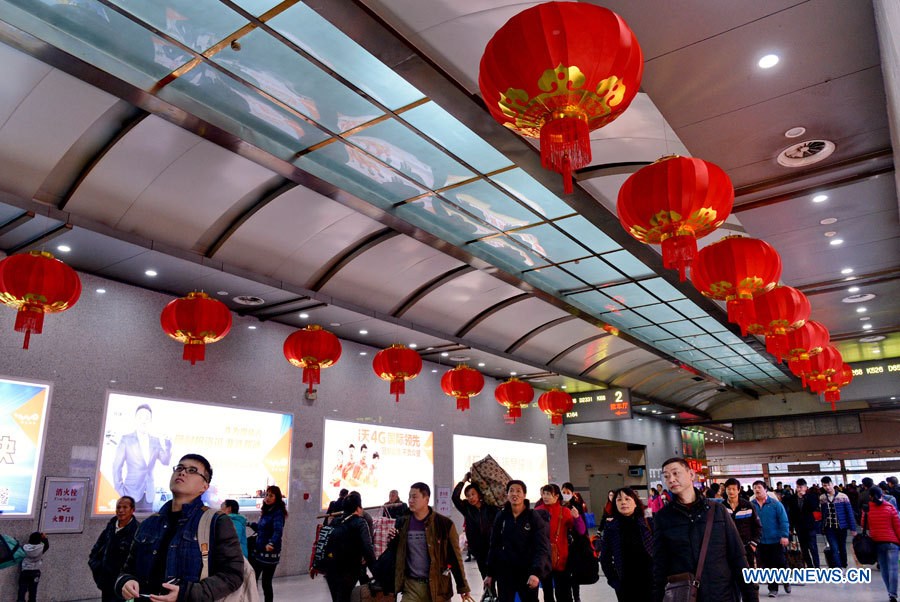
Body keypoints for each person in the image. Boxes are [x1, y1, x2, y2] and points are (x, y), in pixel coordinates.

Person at [116, 453, 244, 601]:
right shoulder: (149, 523)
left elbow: (233, 574)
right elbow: (126, 570)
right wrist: (125, 582)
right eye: (180, 467)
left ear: (204, 486)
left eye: (192, 470)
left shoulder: (216, 522)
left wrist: (185, 593)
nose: (182, 472)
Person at [652, 458, 757, 602]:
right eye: (666, 476)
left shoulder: (717, 510)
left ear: (691, 474)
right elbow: (660, 563)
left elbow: (737, 555)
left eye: (676, 473)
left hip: (720, 592)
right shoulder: (663, 517)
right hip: (685, 594)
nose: (671, 479)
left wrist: (750, 595)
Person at [391, 482, 471, 602]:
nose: (410, 500)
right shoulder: (402, 523)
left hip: (438, 586)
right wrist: (392, 540)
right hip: (411, 586)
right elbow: (397, 554)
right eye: (409, 497)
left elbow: (455, 557)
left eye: (414, 497)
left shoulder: (444, 524)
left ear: (426, 499)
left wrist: (462, 585)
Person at [485, 480, 550, 602]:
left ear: (524, 495)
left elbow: (541, 547)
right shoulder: (501, 516)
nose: (515, 494)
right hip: (505, 573)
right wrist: (489, 574)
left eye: (518, 491)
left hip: (528, 573)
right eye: (511, 491)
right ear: (507, 494)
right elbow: (494, 546)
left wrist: (536, 572)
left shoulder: (533, 517)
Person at [111, 403, 172, 512]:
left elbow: (165, 461)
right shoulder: (126, 439)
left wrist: (168, 445)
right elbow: (117, 466)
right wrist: (120, 489)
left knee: (146, 525)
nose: (144, 420)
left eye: (147, 418)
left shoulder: (155, 440)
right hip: (130, 492)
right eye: (140, 417)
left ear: (151, 421)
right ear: (135, 419)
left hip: (149, 493)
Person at [599, 487, 653, 602]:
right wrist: (614, 581)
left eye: (627, 499)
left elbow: (659, 552)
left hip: (651, 581)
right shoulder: (611, 527)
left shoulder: (648, 523)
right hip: (625, 583)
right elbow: (605, 558)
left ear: (635, 503)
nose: (623, 502)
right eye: (619, 500)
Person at [325, 492, 376, 602]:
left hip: (331, 568)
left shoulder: (335, 521)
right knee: (343, 597)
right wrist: (377, 573)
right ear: (358, 508)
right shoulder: (360, 522)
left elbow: (326, 542)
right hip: (349, 570)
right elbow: (368, 548)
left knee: (337, 598)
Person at [89, 496, 140, 602]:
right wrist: (96, 566)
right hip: (106, 581)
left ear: (132, 510)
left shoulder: (137, 531)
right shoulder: (111, 527)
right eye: (118, 507)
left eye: (125, 507)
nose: (121, 510)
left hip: (123, 584)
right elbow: (96, 549)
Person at [453, 472, 499, 579]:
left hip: (493, 548)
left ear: (479, 494)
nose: (471, 498)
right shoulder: (467, 509)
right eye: (468, 496)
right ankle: (489, 595)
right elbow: (455, 497)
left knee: (498, 576)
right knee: (486, 577)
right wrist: (463, 480)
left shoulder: (490, 508)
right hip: (478, 550)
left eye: (473, 494)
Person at [535, 484, 575, 602]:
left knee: (563, 591)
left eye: (548, 494)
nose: (545, 496)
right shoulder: (536, 511)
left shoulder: (565, 511)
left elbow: (576, 530)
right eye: (544, 494)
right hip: (543, 557)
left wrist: (577, 518)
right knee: (547, 592)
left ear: (557, 496)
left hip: (561, 557)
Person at [750, 480, 790, 597]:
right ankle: (773, 588)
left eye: (759, 487)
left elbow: (783, 520)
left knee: (780, 563)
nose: (757, 490)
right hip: (760, 541)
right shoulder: (752, 505)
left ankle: (786, 580)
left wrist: (784, 535)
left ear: (765, 489)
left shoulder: (775, 504)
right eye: (755, 488)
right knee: (767, 566)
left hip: (776, 540)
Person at [862, 487, 900, 602]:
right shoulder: (890, 507)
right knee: (893, 569)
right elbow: (897, 527)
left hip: (876, 543)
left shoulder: (866, 509)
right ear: (882, 495)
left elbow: (865, 525)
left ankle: (890, 593)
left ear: (870, 497)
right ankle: (893, 594)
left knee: (884, 569)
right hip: (892, 542)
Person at [250, 485, 287, 602]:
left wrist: (271, 543)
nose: (268, 498)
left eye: (271, 495)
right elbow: (262, 528)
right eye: (267, 495)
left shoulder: (278, 513)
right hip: (259, 551)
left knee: (266, 582)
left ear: (277, 497)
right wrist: (250, 524)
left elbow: (278, 531)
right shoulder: (266, 511)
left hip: (269, 554)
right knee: (252, 579)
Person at [818, 476, 856, 569]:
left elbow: (849, 513)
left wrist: (853, 528)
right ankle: (838, 568)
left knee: (842, 547)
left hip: (841, 527)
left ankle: (844, 564)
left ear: (832, 484)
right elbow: (823, 514)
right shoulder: (822, 498)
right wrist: (822, 527)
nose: (827, 487)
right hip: (829, 528)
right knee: (834, 548)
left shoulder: (843, 496)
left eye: (828, 485)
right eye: (824, 485)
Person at [722, 478, 762, 569]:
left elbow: (758, 526)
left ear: (739, 490)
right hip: (728, 548)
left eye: (734, 489)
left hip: (746, 547)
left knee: (748, 575)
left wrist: (753, 543)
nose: (731, 491)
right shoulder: (722, 507)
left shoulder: (748, 506)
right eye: (728, 489)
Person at [785, 478, 820, 568]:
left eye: (801, 487)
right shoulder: (793, 499)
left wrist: (805, 497)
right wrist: (791, 528)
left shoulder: (811, 496)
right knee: (804, 549)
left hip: (810, 526)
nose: (799, 489)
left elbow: (814, 507)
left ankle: (817, 566)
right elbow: (791, 514)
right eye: (797, 487)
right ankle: (810, 566)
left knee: (813, 548)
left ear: (805, 487)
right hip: (799, 527)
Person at [560, 482, 585, 602]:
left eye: (567, 492)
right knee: (564, 573)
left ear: (572, 493)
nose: (565, 495)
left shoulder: (576, 506)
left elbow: (582, 525)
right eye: (563, 492)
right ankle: (568, 596)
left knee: (574, 573)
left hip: (574, 544)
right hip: (561, 544)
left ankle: (577, 596)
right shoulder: (558, 505)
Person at [17, 532, 49, 602]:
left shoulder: (24, 547)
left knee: (22, 589)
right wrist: (44, 538)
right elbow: (47, 545)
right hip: (35, 571)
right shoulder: (41, 547)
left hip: (25, 571)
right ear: (39, 540)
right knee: (33, 590)